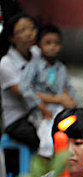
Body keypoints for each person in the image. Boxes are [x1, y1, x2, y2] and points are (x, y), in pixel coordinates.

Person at [18, 24, 77, 158]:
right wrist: (39, 105)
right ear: (39, 45)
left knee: (70, 130)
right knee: (47, 136)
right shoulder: (34, 66)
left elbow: (69, 88)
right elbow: (24, 88)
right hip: (41, 111)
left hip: (58, 110)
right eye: (48, 43)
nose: (52, 47)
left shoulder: (61, 68)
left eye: (56, 43)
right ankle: (45, 162)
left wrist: (73, 103)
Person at [0, 13, 41, 151]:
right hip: (17, 120)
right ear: (12, 38)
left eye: (31, 28)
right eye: (22, 30)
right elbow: (25, 94)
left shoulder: (37, 53)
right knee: (41, 138)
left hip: (39, 113)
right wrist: (58, 98)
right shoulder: (6, 64)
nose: (29, 34)